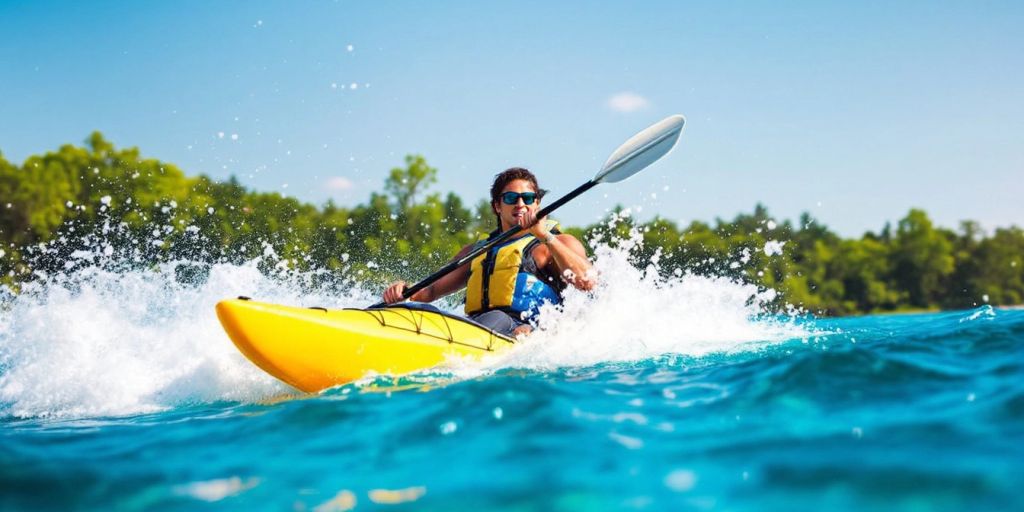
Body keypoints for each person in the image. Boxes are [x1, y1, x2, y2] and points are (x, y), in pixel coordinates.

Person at [382, 167, 594, 336]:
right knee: (428, 314)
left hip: (529, 332)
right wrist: (403, 292)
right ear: (497, 206)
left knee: (498, 319)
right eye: (511, 198)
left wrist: (545, 236)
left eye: (528, 198)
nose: (520, 204)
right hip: (480, 326)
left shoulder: (558, 243)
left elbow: (587, 282)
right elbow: (429, 292)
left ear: (537, 203)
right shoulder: (477, 251)